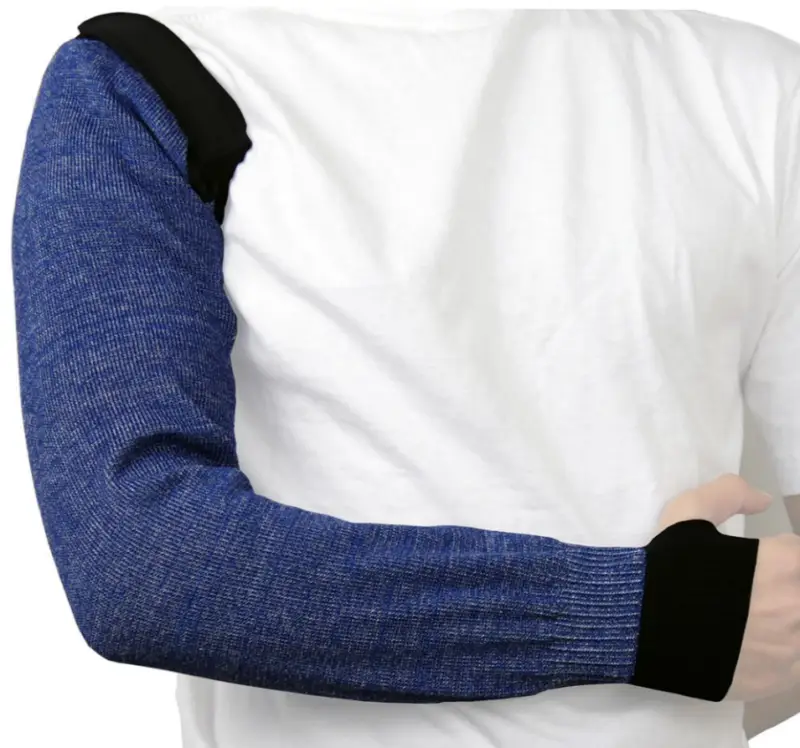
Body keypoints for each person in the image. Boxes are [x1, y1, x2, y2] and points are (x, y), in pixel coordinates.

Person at [10, 7, 800, 748]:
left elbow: (775, 619)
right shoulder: (158, 72)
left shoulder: (760, 90)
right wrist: (645, 618)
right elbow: (143, 564)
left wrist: (707, 630)